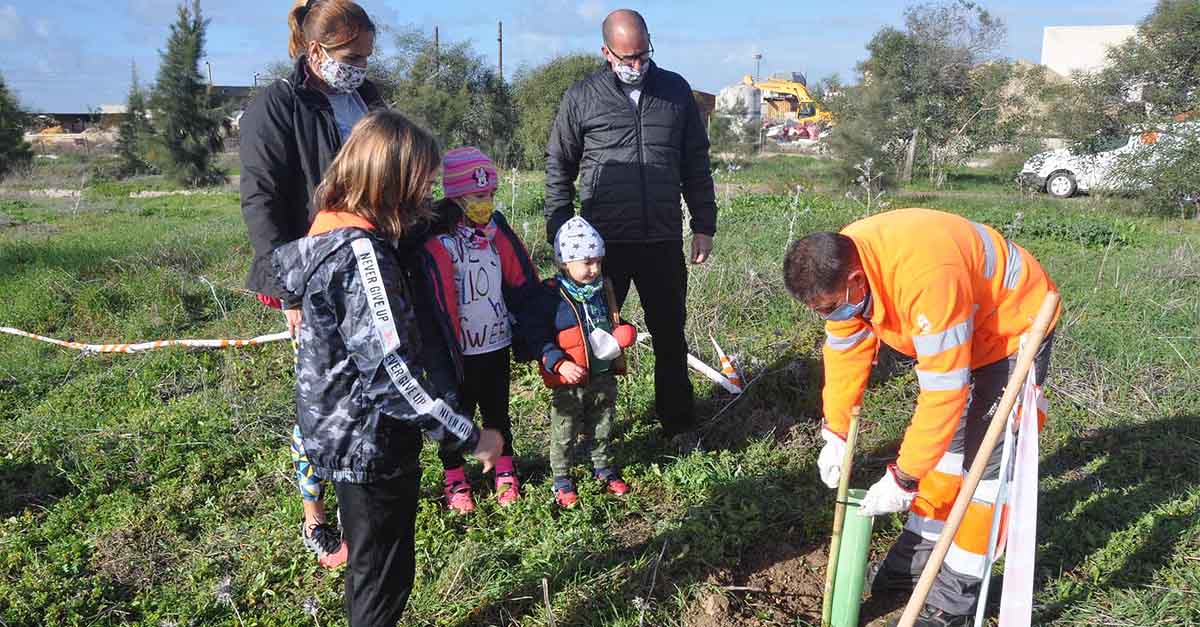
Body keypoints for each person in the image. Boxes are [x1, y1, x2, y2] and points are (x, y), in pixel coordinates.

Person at [272, 110, 504, 627]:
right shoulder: (363, 257)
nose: (428, 191)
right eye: (420, 181)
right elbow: (391, 373)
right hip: (369, 440)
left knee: (370, 566)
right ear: (391, 182)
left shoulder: (328, 233)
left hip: (334, 429)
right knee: (383, 577)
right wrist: (468, 435)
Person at [782, 208, 1060, 627]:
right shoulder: (841, 264)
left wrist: (904, 477)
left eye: (831, 307)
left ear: (856, 281)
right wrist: (835, 431)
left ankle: (953, 600)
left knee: (986, 472)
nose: (829, 317)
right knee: (948, 456)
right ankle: (918, 557)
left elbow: (944, 394)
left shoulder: (925, 278)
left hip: (1010, 330)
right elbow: (845, 351)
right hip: (960, 321)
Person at [239, 0, 384, 567]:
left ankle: (366, 494)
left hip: (372, 267)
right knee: (321, 405)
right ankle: (316, 518)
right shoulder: (276, 105)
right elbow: (262, 202)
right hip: (315, 276)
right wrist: (291, 290)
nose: (361, 67)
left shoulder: (366, 99)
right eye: (352, 56)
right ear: (317, 50)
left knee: (373, 388)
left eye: (368, 56)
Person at [544, 9, 717, 452]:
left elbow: (696, 162)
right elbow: (558, 165)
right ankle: (589, 434)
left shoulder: (675, 91)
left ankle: (678, 425)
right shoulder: (582, 96)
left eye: (642, 55)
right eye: (626, 57)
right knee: (590, 340)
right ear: (606, 52)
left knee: (670, 334)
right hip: (601, 248)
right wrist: (561, 232)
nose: (636, 66)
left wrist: (703, 224)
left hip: (661, 238)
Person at [420, 146, 541, 513]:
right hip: (455, 350)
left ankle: (505, 467)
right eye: (477, 195)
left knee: (497, 410)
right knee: (454, 411)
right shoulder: (435, 239)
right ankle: (455, 475)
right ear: (455, 196)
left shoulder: (495, 231)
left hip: (494, 343)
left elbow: (520, 277)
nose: (485, 202)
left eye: (490, 194)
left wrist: (534, 323)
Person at [536, 217, 639, 508]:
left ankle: (603, 469)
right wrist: (558, 363)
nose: (593, 268)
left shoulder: (603, 289)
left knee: (603, 423)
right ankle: (562, 479)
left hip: (602, 373)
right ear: (565, 263)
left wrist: (624, 331)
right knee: (565, 429)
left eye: (597, 261)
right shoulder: (552, 295)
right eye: (586, 262)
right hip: (569, 379)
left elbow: (611, 321)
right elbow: (539, 336)